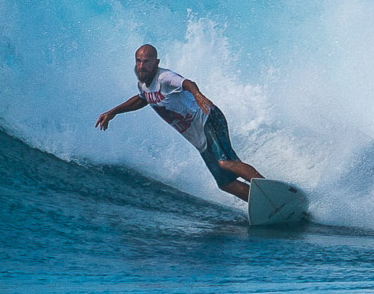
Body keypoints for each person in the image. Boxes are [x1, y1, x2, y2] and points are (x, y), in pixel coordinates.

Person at [95, 44, 264, 201]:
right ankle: (263, 203)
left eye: (146, 62)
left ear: (156, 62)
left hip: (208, 118)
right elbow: (142, 99)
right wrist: (113, 112)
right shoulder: (144, 85)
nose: (141, 66)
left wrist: (198, 96)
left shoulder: (164, 77)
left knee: (225, 162)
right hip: (199, 137)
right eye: (138, 61)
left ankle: (270, 190)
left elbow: (187, 83)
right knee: (225, 183)